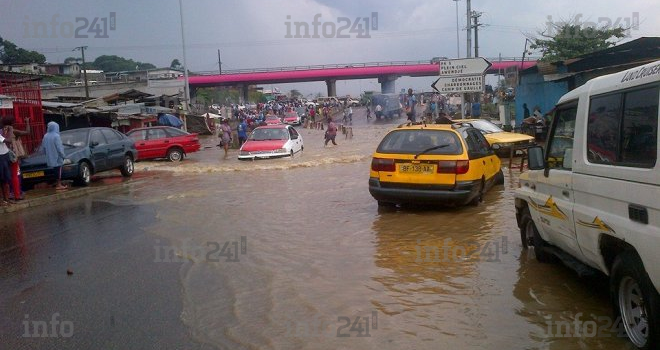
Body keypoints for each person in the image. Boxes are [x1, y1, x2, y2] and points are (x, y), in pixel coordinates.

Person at [2, 116, 30, 200]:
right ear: (12, 123)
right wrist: (27, 122)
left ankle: (9, 193)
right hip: (13, 156)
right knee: (16, 175)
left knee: (7, 175)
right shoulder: (13, 131)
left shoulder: (1, 131)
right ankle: (17, 193)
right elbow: (27, 132)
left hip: (4, 155)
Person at [41, 121, 67, 191]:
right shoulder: (56, 136)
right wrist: (63, 155)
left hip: (49, 157)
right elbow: (59, 148)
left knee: (54, 170)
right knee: (58, 170)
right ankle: (59, 185)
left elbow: (43, 147)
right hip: (57, 156)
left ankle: (56, 184)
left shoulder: (45, 136)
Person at [0, 121, 13, 204]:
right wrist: (11, 130)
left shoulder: (1, 134)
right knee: (1, 178)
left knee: (6, 179)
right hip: (1, 157)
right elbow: (9, 140)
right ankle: (2, 200)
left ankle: (6, 199)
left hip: (5, 155)